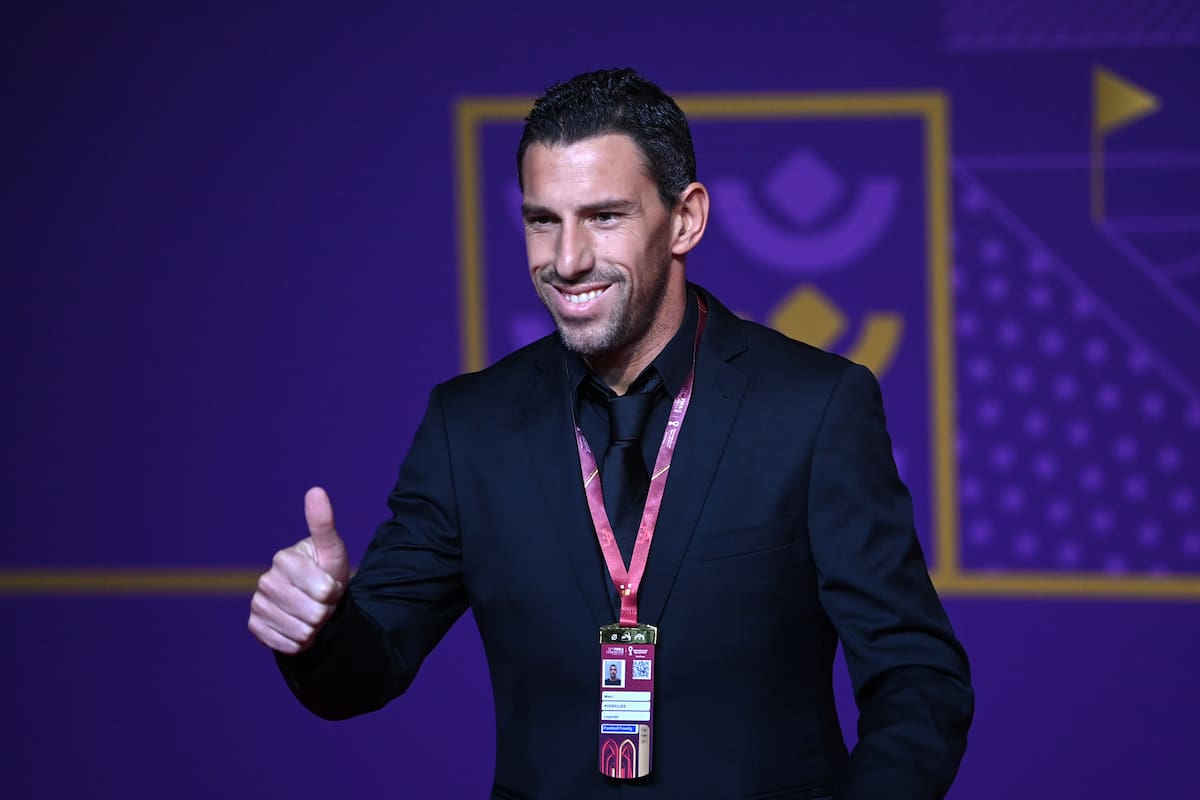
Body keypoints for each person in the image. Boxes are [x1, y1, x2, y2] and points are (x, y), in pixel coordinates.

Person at [248, 67, 973, 799]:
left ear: (685, 219)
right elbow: (361, 675)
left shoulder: (815, 408)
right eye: (542, 220)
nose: (566, 261)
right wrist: (318, 626)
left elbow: (918, 676)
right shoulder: (468, 426)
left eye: (604, 217)